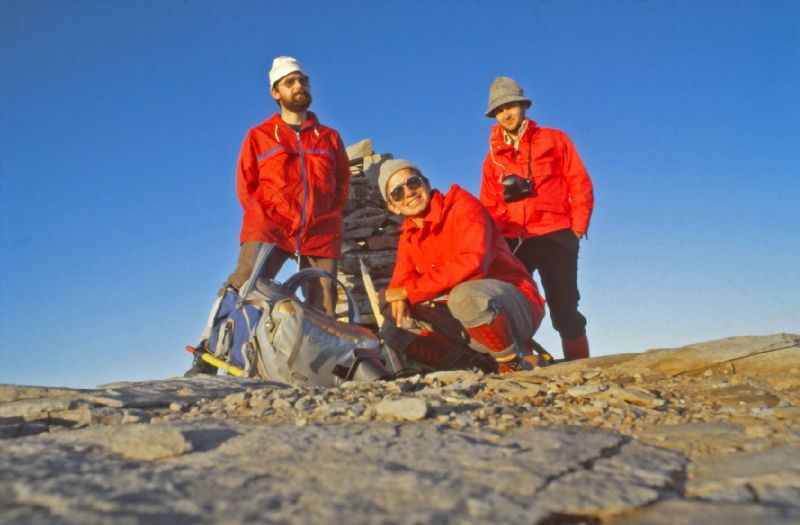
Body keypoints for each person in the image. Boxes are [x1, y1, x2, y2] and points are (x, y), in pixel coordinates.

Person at [185, 56, 350, 376]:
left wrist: (329, 211)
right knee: (244, 285)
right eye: (290, 82)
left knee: (325, 301)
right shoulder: (260, 134)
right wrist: (265, 213)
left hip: (320, 228)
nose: (299, 86)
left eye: (302, 80)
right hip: (272, 224)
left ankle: (325, 370)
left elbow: (342, 182)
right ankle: (209, 355)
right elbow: (246, 185)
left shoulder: (329, 137)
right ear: (276, 92)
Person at [378, 159, 546, 374]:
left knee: (464, 296)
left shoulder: (462, 205)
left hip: (513, 307)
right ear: (393, 207)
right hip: (464, 320)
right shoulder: (410, 237)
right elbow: (399, 283)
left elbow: (472, 263)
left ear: (426, 184)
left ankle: (511, 359)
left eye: (413, 183)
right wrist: (392, 299)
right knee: (392, 327)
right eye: (398, 192)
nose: (409, 192)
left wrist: (407, 292)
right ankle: (470, 364)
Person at [480, 76, 594, 361]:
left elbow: (579, 182)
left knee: (564, 304)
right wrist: (497, 245)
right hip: (514, 239)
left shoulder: (555, 139)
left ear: (523, 106)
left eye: (511, 106)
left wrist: (577, 229)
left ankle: (579, 367)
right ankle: (520, 364)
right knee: (510, 303)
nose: (506, 113)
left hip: (556, 234)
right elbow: (489, 205)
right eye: (499, 109)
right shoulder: (492, 158)